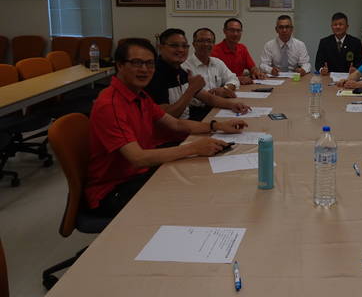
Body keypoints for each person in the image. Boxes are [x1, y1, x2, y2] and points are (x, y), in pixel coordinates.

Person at [85, 38, 248, 218]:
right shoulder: (110, 104)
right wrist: (194, 148)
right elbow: (138, 158)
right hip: (113, 190)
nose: (144, 69)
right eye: (137, 63)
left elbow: (176, 123)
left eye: (149, 64)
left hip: (139, 173)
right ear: (120, 65)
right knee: (195, 201)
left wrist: (217, 125)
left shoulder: (139, 95)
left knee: (199, 180)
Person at [145, 28, 250, 124]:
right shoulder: (154, 74)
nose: (181, 50)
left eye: (184, 46)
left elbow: (208, 98)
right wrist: (191, 90)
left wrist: (233, 105)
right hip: (174, 131)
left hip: (187, 123)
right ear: (160, 47)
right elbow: (168, 117)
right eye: (174, 45)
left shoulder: (180, 71)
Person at [182, 28, 241, 121]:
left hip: (218, 107)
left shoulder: (217, 63)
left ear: (213, 44)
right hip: (196, 112)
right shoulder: (185, 67)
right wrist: (215, 94)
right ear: (194, 44)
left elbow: (233, 79)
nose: (205, 44)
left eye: (209, 41)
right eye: (201, 41)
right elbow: (197, 98)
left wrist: (225, 89)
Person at [212, 18, 266, 85]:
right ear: (224, 31)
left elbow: (252, 67)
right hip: (223, 88)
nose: (235, 34)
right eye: (232, 30)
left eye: (238, 31)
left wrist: (257, 72)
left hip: (240, 87)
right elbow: (214, 78)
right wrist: (237, 79)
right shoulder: (214, 51)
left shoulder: (242, 48)